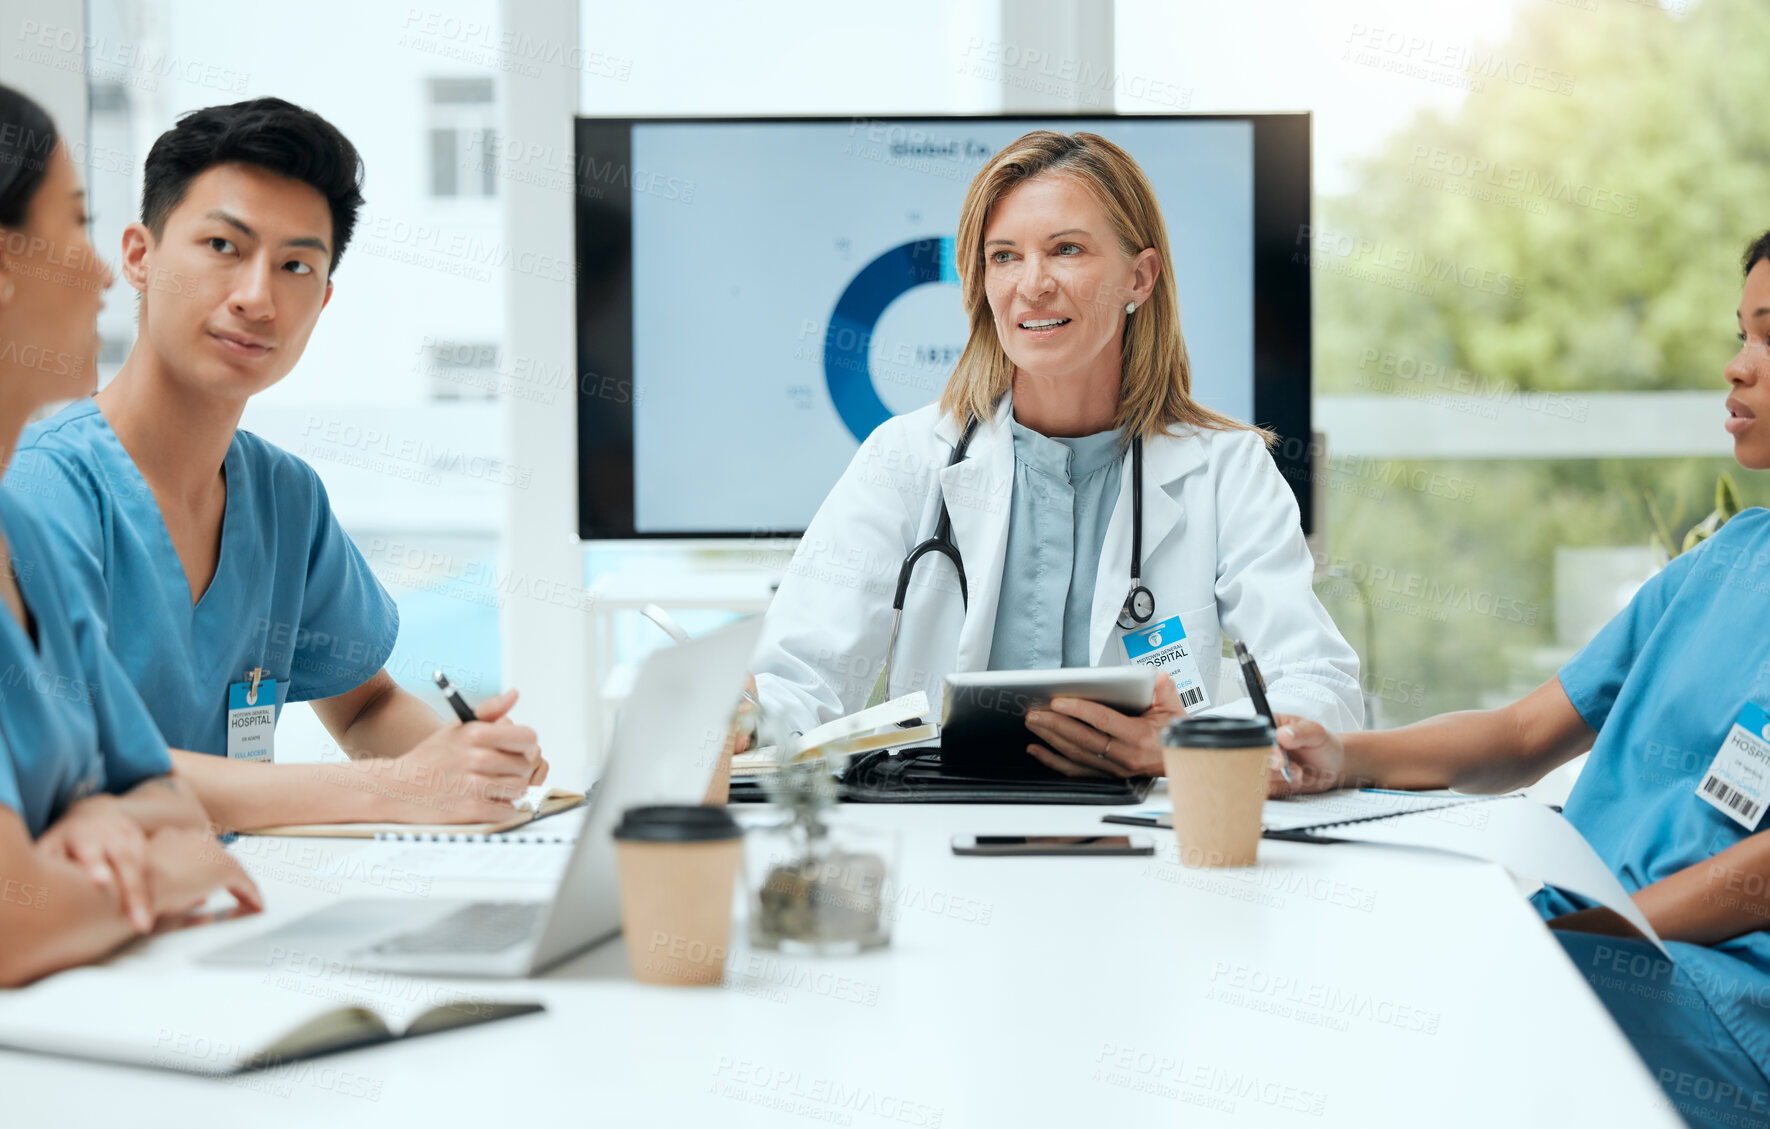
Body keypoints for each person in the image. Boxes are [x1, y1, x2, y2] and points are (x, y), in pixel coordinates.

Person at [1273, 232, 1770, 1129]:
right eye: (1740, 335)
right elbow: (1520, 738)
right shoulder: (1724, 561)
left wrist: (1583, 937)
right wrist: (1342, 755)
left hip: (1711, 989)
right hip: (1591, 934)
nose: (1737, 370)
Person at [1, 98, 545, 830]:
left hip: (220, 902)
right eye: (224, 246)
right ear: (138, 256)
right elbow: (91, 766)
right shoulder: (41, 490)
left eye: (294, 265)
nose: (257, 298)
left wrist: (468, 762)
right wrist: (401, 787)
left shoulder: (284, 497)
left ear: (321, 301)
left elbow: (366, 703)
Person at [752, 131, 1361, 777]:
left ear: (1140, 275)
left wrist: (1189, 744)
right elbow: (800, 679)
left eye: (1066, 249)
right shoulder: (905, 457)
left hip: (1152, 845)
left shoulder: (1226, 470)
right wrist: (743, 721)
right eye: (1004, 256)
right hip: (941, 836)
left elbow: (1318, 685)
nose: (1032, 284)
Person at [0, 84, 262, 985]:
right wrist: (157, 873)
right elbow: (10, 924)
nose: (99, 272)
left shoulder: (24, 535)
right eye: (74, 224)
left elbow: (168, 797)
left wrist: (97, 820)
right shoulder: (61, 486)